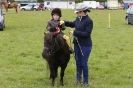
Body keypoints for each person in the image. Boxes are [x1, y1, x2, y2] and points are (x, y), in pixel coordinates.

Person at [61, 3, 93, 87]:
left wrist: (75, 32)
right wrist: (64, 22)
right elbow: (72, 23)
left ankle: (85, 82)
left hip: (85, 45)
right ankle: (78, 79)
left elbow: (87, 34)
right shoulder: (78, 18)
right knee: (78, 63)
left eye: (78, 12)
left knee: (83, 63)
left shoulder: (89, 21)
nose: (76, 13)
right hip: (77, 44)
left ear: (82, 11)